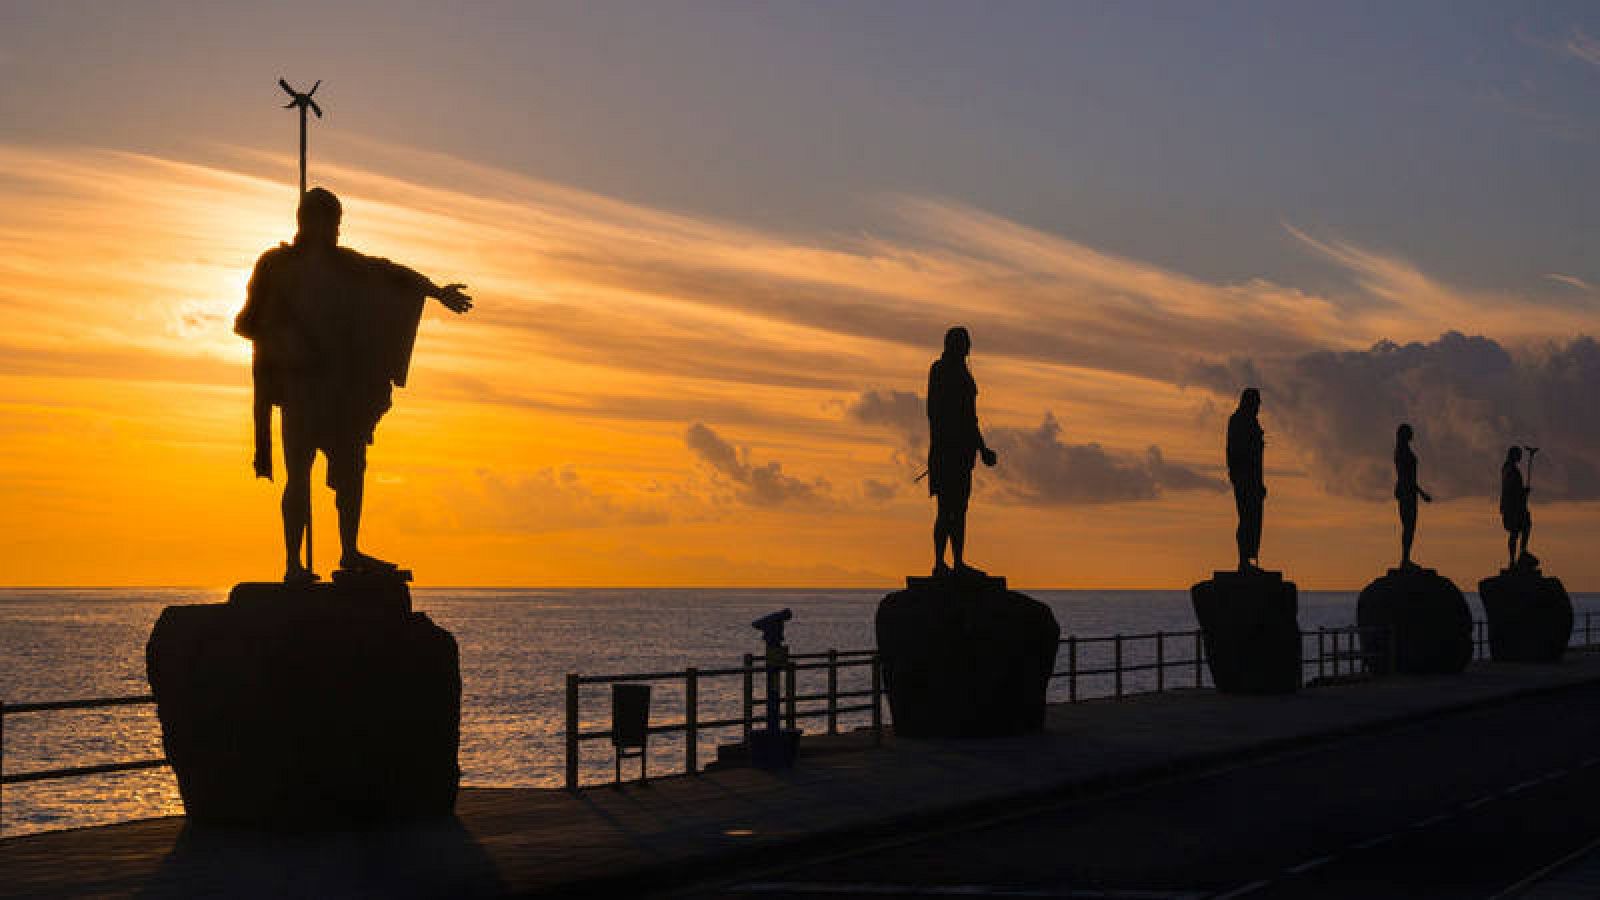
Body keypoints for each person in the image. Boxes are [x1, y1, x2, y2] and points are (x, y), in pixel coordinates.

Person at [235, 187, 473, 584]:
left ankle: (349, 551)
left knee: (352, 470)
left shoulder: (348, 266)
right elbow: (247, 323)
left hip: (340, 392)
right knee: (299, 476)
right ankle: (294, 565)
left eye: (338, 223)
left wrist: (436, 292)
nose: (336, 230)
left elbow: (392, 274)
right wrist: (286, 338)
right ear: (309, 221)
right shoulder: (276, 266)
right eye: (331, 222)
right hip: (299, 390)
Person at [926, 326, 997, 577]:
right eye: (963, 343)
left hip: (962, 454)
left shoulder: (964, 374)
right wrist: (947, 444)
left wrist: (981, 448)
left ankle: (957, 562)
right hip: (946, 453)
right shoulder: (941, 370)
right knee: (946, 509)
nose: (967, 348)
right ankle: (940, 563)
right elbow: (936, 413)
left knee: (959, 509)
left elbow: (970, 418)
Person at [1226, 388, 1266, 573]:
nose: (1258, 408)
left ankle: (1248, 558)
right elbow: (1236, 452)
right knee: (1246, 519)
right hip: (1244, 478)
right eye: (1255, 403)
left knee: (1254, 520)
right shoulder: (1238, 421)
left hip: (1253, 479)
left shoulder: (1251, 422)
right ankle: (1243, 560)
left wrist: (1260, 483)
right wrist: (1241, 477)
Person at [1393, 424, 1432, 569]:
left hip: (1408, 491)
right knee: (1409, 526)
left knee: (1409, 527)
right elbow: (1406, 478)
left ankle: (1406, 558)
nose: (1412, 434)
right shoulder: (1402, 452)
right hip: (1407, 492)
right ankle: (1405, 559)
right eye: (1410, 432)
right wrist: (1422, 493)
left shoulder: (1403, 451)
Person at [1500, 446, 1533, 570]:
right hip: (1514, 508)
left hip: (1513, 507)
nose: (1520, 457)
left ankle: (1518, 557)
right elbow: (1512, 489)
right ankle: (1518, 556)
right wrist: (1523, 492)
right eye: (1519, 455)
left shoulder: (1507, 469)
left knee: (1521, 529)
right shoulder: (1511, 470)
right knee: (1520, 530)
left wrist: (1523, 492)